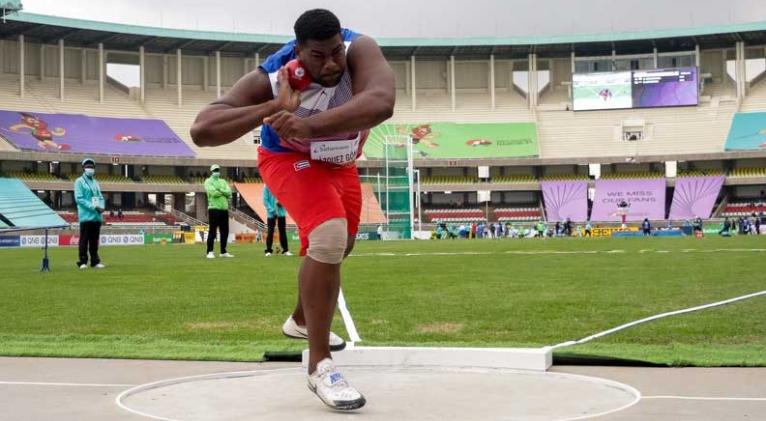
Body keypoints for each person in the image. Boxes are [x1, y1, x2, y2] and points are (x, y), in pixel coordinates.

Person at [191, 9, 394, 410]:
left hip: (339, 160)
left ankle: (301, 320)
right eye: (319, 56)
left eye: (335, 51)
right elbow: (203, 129)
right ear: (297, 51)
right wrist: (272, 107)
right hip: (288, 159)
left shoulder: (360, 49)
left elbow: (382, 102)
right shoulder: (272, 76)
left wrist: (310, 126)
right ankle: (320, 367)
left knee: (342, 245)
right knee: (329, 236)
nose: (332, 63)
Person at [74, 158, 105, 269]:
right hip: (86, 216)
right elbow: (79, 199)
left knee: (94, 241)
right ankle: (82, 262)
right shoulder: (79, 181)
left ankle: (95, 261)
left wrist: (102, 207)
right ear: (83, 168)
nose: (90, 168)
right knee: (84, 240)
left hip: (96, 216)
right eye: (87, 166)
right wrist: (94, 207)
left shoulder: (95, 182)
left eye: (91, 167)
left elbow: (100, 197)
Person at [204, 164, 234, 258]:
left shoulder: (223, 181)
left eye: (218, 170)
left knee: (225, 231)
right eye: (215, 170)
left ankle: (223, 251)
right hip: (213, 208)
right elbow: (213, 193)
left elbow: (229, 192)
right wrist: (223, 192)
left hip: (224, 209)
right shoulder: (208, 181)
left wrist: (220, 190)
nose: (217, 171)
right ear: (212, 171)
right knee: (212, 230)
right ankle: (210, 251)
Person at [263, 185, 292, 256]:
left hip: (281, 213)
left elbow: (286, 198)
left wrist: (281, 203)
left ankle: (285, 250)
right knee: (270, 232)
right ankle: (268, 251)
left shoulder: (282, 186)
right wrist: (272, 210)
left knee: (282, 231)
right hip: (271, 214)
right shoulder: (267, 187)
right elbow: (265, 200)